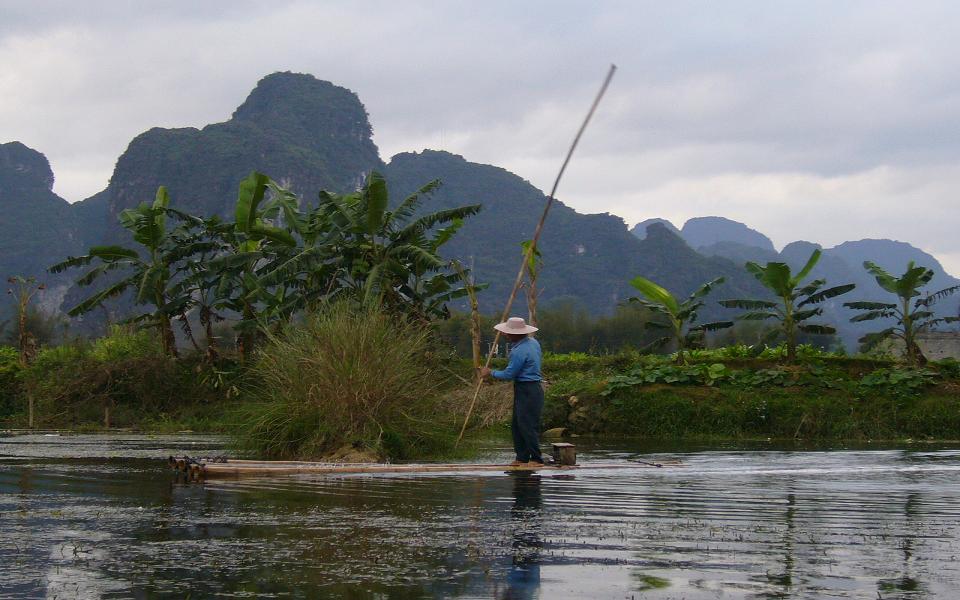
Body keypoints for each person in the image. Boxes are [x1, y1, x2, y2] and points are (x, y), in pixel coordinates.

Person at [479, 317, 544, 466]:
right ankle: (521, 457)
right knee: (517, 424)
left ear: (517, 334)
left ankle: (536, 459)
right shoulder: (533, 342)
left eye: (508, 333)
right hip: (527, 388)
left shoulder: (520, 351)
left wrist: (490, 372)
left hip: (528, 388)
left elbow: (509, 374)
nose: (505, 335)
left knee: (527, 424)